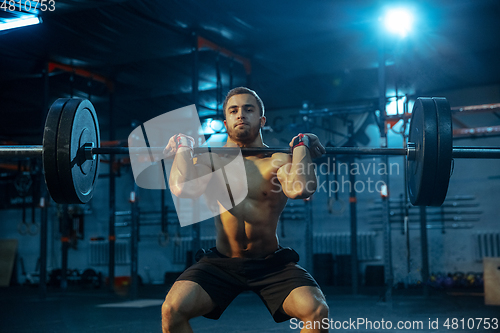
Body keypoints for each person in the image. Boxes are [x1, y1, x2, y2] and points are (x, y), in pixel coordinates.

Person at [161, 87, 329, 333]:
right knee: (172, 310)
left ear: (262, 120)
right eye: (234, 110)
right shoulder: (210, 160)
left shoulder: (278, 160)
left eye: (249, 109)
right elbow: (182, 188)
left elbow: (301, 189)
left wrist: (301, 145)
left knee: (317, 311)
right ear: (225, 121)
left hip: (271, 263)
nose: (241, 115)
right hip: (221, 264)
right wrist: (183, 145)